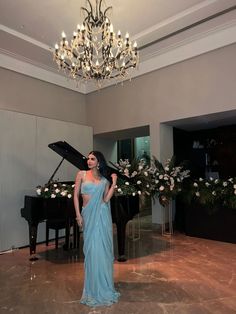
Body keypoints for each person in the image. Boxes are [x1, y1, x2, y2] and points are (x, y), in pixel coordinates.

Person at [73, 151, 120, 307]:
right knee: (91, 251)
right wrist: (78, 215)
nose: (89, 160)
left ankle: (104, 287)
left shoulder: (104, 180)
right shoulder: (81, 174)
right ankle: (92, 289)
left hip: (102, 217)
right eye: (88, 158)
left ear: (99, 161)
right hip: (88, 216)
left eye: (92, 158)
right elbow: (75, 196)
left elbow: (106, 199)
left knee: (102, 251)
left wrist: (113, 183)